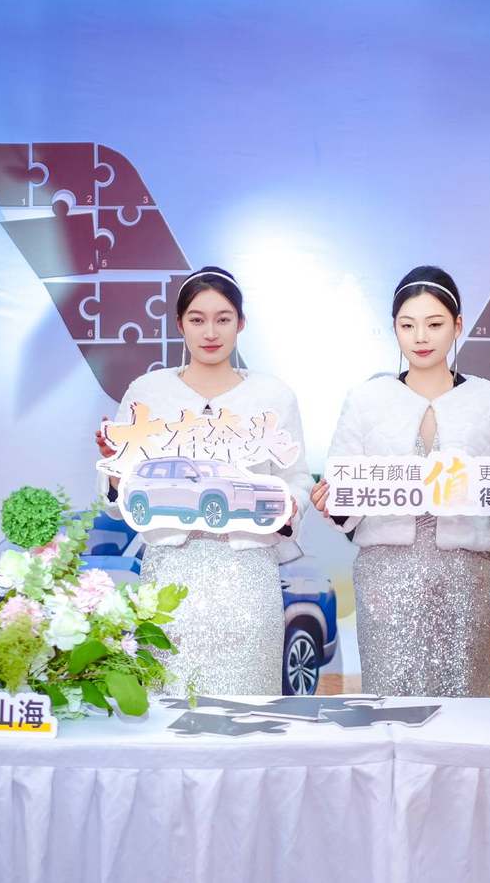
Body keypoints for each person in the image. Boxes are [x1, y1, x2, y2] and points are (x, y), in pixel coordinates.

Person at [95, 266, 312, 695]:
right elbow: (120, 500)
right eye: (197, 319)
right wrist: (116, 473)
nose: (210, 332)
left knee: (249, 709)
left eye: (223, 319)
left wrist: (291, 503)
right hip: (170, 576)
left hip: (248, 576)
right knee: (171, 707)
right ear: (180, 324)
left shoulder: (273, 395)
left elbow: (297, 477)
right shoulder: (147, 392)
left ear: (241, 323)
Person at [311, 266, 490, 697]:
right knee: (389, 701)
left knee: (463, 700)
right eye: (408, 326)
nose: (421, 337)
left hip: (466, 575)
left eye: (435, 324)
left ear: (457, 326)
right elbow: (345, 498)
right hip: (385, 574)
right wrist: (332, 502)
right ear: (394, 329)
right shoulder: (367, 399)